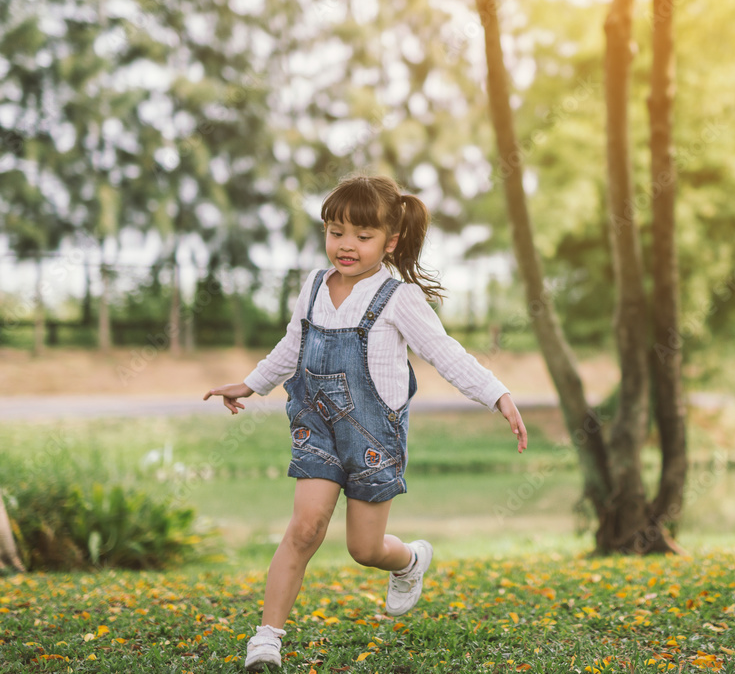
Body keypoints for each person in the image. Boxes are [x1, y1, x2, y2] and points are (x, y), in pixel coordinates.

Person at [204, 173, 528, 672]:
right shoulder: (312, 286)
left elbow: (444, 352)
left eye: (362, 235)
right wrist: (249, 384)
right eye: (336, 232)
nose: (346, 245)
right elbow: (292, 346)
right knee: (305, 527)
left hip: (374, 434)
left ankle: (410, 561)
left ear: (390, 241)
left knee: (364, 547)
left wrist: (496, 394)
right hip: (316, 425)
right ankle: (266, 638)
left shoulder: (399, 299)